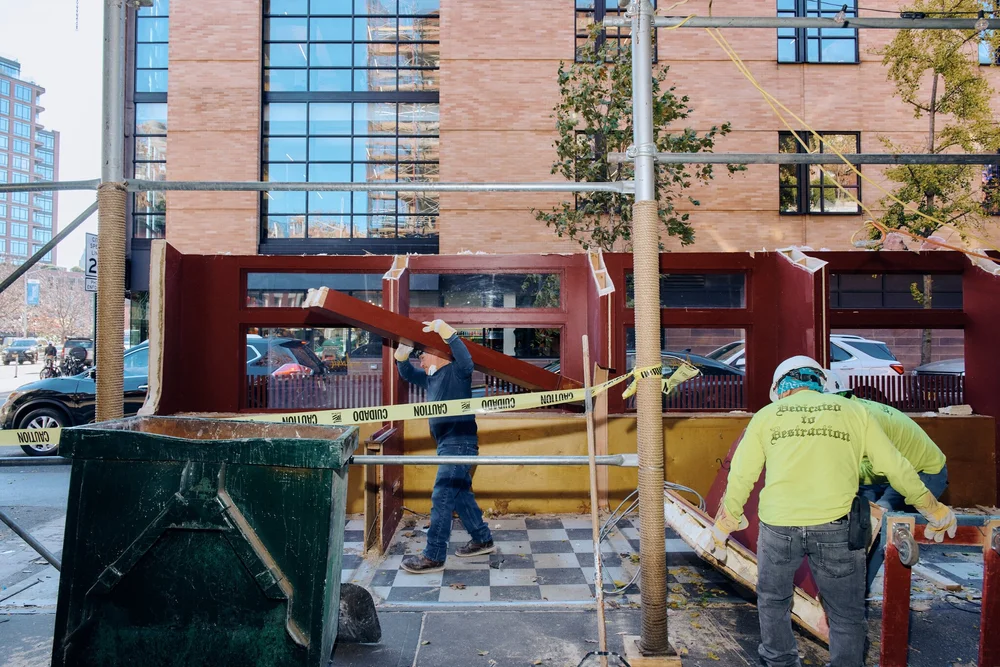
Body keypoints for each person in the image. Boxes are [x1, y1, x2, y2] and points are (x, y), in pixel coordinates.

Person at [698, 355, 957, 667]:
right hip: (835, 527)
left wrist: (726, 522)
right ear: (819, 382)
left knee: (774, 601)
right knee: (846, 613)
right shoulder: (854, 410)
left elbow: (741, 475)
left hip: (778, 527)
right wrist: (934, 509)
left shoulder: (767, 416)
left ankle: (780, 662)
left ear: (780, 388)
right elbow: (895, 466)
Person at [393, 319, 494, 574]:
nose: (421, 361)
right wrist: (402, 355)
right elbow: (406, 373)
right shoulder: (432, 379)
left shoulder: (456, 373)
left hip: (460, 443)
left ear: (437, 354)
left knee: (442, 496)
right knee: (459, 496)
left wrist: (449, 335)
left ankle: (434, 556)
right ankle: (482, 539)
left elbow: (467, 362)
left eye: (422, 354)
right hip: (447, 445)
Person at [824, 372, 948, 511]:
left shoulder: (860, 419)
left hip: (921, 472)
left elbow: (890, 466)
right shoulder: (846, 412)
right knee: (863, 519)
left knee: (882, 518)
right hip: (885, 474)